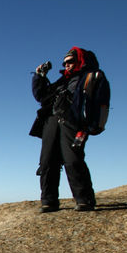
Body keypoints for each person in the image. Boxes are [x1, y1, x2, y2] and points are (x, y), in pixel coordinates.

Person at [30, 47, 98, 212]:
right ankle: (48, 201)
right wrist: (40, 77)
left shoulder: (88, 77)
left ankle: (84, 199)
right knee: (47, 161)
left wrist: (87, 127)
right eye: (65, 63)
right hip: (51, 122)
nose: (67, 65)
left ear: (80, 61)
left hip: (73, 122)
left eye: (70, 62)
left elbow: (92, 104)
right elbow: (42, 97)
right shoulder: (62, 81)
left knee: (72, 158)